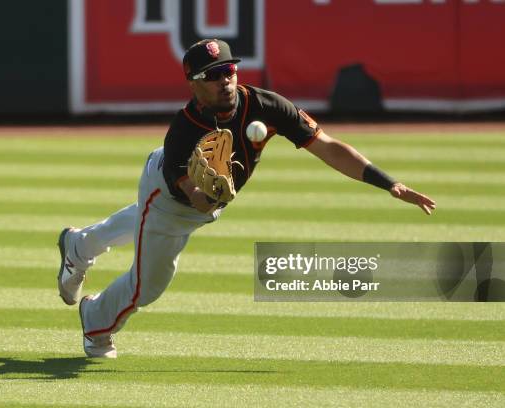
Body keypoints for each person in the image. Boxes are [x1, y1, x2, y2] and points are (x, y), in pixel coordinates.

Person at [57, 39, 436, 358]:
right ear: (193, 84)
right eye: (213, 75)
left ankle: (79, 244)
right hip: (169, 195)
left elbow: (329, 147)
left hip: (178, 195)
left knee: (139, 221)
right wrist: (205, 196)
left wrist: (388, 183)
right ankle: (96, 321)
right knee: (149, 284)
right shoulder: (185, 128)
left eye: (229, 70)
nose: (225, 80)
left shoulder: (267, 106)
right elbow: (189, 193)